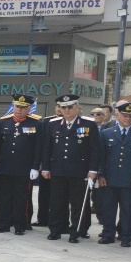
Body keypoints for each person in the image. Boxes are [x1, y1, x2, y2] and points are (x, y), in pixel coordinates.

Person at [41, 94, 99, 243]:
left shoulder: (88, 124)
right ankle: (55, 230)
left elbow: (95, 149)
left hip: (79, 171)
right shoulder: (53, 124)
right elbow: (47, 148)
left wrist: (93, 170)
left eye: (70, 107)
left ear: (77, 107)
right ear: (59, 109)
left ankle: (76, 231)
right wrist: (45, 167)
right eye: (63, 107)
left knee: (78, 204)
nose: (67, 110)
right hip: (58, 170)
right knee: (56, 203)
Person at [97, 102, 131, 248]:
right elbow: (101, 157)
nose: (127, 119)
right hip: (110, 178)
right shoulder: (106, 133)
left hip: (130, 179)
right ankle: (108, 234)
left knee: (128, 210)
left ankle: (126, 237)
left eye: (130, 116)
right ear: (118, 115)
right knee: (109, 208)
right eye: (125, 115)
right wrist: (101, 175)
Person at [0, 95, 42, 235]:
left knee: (21, 198)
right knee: (4, 197)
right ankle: (4, 224)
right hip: (5, 166)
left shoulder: (36, 124)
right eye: (17, 106)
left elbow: (38, 147)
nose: (19, 110)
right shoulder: (3, 122)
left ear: (29, 108)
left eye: (23, 107)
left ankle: (20, 225)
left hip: (24, 168)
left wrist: (35, 167)